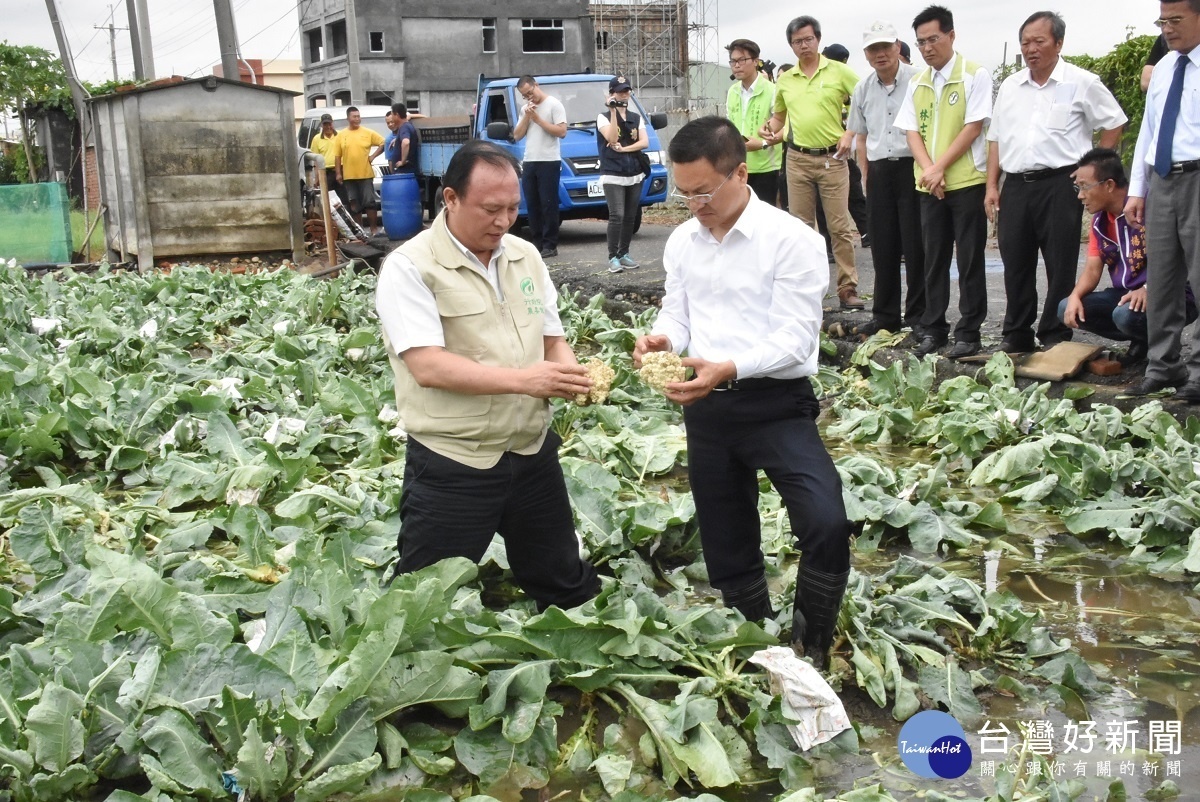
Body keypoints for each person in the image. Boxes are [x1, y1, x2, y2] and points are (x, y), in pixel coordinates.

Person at [633, 116, 852, 670]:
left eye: (704, 191)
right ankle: (758, 645)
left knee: (824, 519)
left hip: (776, 404)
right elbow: (677, 313)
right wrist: (664, 340)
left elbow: (795, 340)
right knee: (727, 540)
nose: (694, 205)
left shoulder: (793, 240)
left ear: (741, 171)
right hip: (707, 406)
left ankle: (813, 641)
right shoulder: (683, 241)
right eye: (684, 194)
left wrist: (728, 367)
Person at [375, 140, 601, 609]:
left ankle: (579, 671)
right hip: (455, 458)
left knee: (565, 583)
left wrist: (572, 375)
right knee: (422, 602)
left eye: (513, 208)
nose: (503, 221)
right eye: (490, 209)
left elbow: (551, 338)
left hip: (531, 449)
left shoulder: (524, 256)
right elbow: (427, 365)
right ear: (451, 199)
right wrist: (527, 381)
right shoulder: (410, 267)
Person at [986, 11, 1127, 354]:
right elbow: (996, 138)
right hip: (1016, 183)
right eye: (1025, 42)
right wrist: (992, 185)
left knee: (1059, 260)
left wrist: (1092, 169)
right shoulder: (1010, 86)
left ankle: (1054, 333)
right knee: (1015, 258)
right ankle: (1016, 333)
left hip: (1062, 183)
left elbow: (1114, 122)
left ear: (1059, 43)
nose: (1030, 49)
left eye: (1039, 41)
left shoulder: (1081, 82)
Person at [895, 5, 993, 359]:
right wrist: (929, 170)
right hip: (928, 186)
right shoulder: (917, 81)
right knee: (932, 259)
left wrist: (940, 168)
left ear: (951, 35)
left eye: (933, 39)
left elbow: (973, 126)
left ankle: (969, 331)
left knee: (969, 259)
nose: (927, 47)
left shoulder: (974, 74)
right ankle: (934, 328)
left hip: (966, 183)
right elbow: (911, 131)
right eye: (920, 42)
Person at [759, 17, 863, 309]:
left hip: (833, 158)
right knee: (801, 229)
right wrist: (768, 127)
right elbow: (779, 116)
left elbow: (863, 101)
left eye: (807, 39)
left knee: (839, 226)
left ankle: (847, 287)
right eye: (796, 41)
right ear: (790, 45)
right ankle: (806, 288)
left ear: (818, 39)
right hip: (797, 158)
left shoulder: (839, 72)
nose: (803, 45)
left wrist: (849, 133)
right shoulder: (786, 79)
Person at [1125, 0, 1200, 400]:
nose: (1167, 29)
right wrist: (1139, 189)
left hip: (1198, 175)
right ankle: (1163, 365)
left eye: (1175, 20)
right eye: (1162, 21)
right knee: (1164, 276)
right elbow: (1148, 133)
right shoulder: (1167, 68)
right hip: (1162, 178)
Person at [1060, 148, 1197, 361]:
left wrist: (1148, 287)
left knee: (1124, 315)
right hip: (1127, 293)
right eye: (1078, 188)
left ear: (1109, 185)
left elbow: (1179, 257)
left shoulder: (1150, 207)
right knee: (1066, 308)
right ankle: (1143, 339)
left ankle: (1164, 344)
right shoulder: (1099, 221)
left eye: (1085, 187)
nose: (1080, 195)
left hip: (1173, 291)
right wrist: (1075, 296)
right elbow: (1092, 269)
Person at [846, 20, 927, 337]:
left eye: (885, 46)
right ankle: (886, 316)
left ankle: (919, 316)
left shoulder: (919, 81)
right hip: (879, 171)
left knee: (915, 244)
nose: (880, 54)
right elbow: (861, 137)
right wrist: (866, 177)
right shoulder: (863, 88)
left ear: (897, 47)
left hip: (912, 167)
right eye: (873, 49)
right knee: (883, 246)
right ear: (866, 54)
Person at [818, 43, 871, 250]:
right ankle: (835, 243)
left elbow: (859, 106)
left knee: (852, 195)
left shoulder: (843, 85)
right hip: (827, 151)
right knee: (843, 198)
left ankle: (865, 233)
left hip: (838, 151)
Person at [597, 75, 649, 273]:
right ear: (611, 93)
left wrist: (625, 149)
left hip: (634, 171)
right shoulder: (603, 116)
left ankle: (624, 253)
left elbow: (644, 142)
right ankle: (613, 257)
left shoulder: (636, 118)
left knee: (630, 215)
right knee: (616, 215)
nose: (624, 94)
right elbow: (611, 137)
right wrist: (612, 110)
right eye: (619, 91)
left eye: (626, 90)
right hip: (613, 172)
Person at [513, 76, 567, 259]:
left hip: (549, 160)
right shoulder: (525, 109)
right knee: (532, 204)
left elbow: (561, 132)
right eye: (524, 95)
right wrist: (527, 117)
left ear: (537, 85)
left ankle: (550, 244)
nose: (530, 97)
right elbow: (517, 135)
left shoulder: (554, 104)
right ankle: (536, 244)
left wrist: (538, 119)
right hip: (530, 160)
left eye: (530, 92)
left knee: (548, 203)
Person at [725, 38, 782, 204]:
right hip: (737, 166)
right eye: (733, 61)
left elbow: (786, 129)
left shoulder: (772, 90)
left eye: (742, 60)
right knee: (737, 216)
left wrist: (763, 143)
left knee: (763, 222)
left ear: (756, 61)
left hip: (766, 168)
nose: (736, 65)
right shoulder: (732, 91)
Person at [334, 106, 386, 236]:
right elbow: (337, 156)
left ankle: (374, 229)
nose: (357, 119)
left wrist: (373, 157)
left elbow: (383, 143)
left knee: (369, 202)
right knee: (354, 204)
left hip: (365, 174)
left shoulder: (368, 133)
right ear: (348, 118)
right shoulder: (341, 135)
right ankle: (361, 231)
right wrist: (338, 173)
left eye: (358, 116)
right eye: (354, 117)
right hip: (349, 176)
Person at [309, 112, 343, 203]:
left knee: (344, 198)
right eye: (325, 124)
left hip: (341, 170)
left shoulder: (341, 135)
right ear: (322, 125)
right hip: (326, 172)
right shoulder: (316, 139)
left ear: (332, 123)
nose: (328, 127)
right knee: (329, 200)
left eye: (329, 124)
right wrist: (317, 178)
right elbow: (315, 161)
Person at [388, 102, 419, 173]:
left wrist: (403, 161)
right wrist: (397, 139)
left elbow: (406, 142)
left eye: (392, 115)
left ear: (397, 115)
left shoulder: (404, 127)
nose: (391, 118)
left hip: (405, 172)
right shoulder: (406, 126)